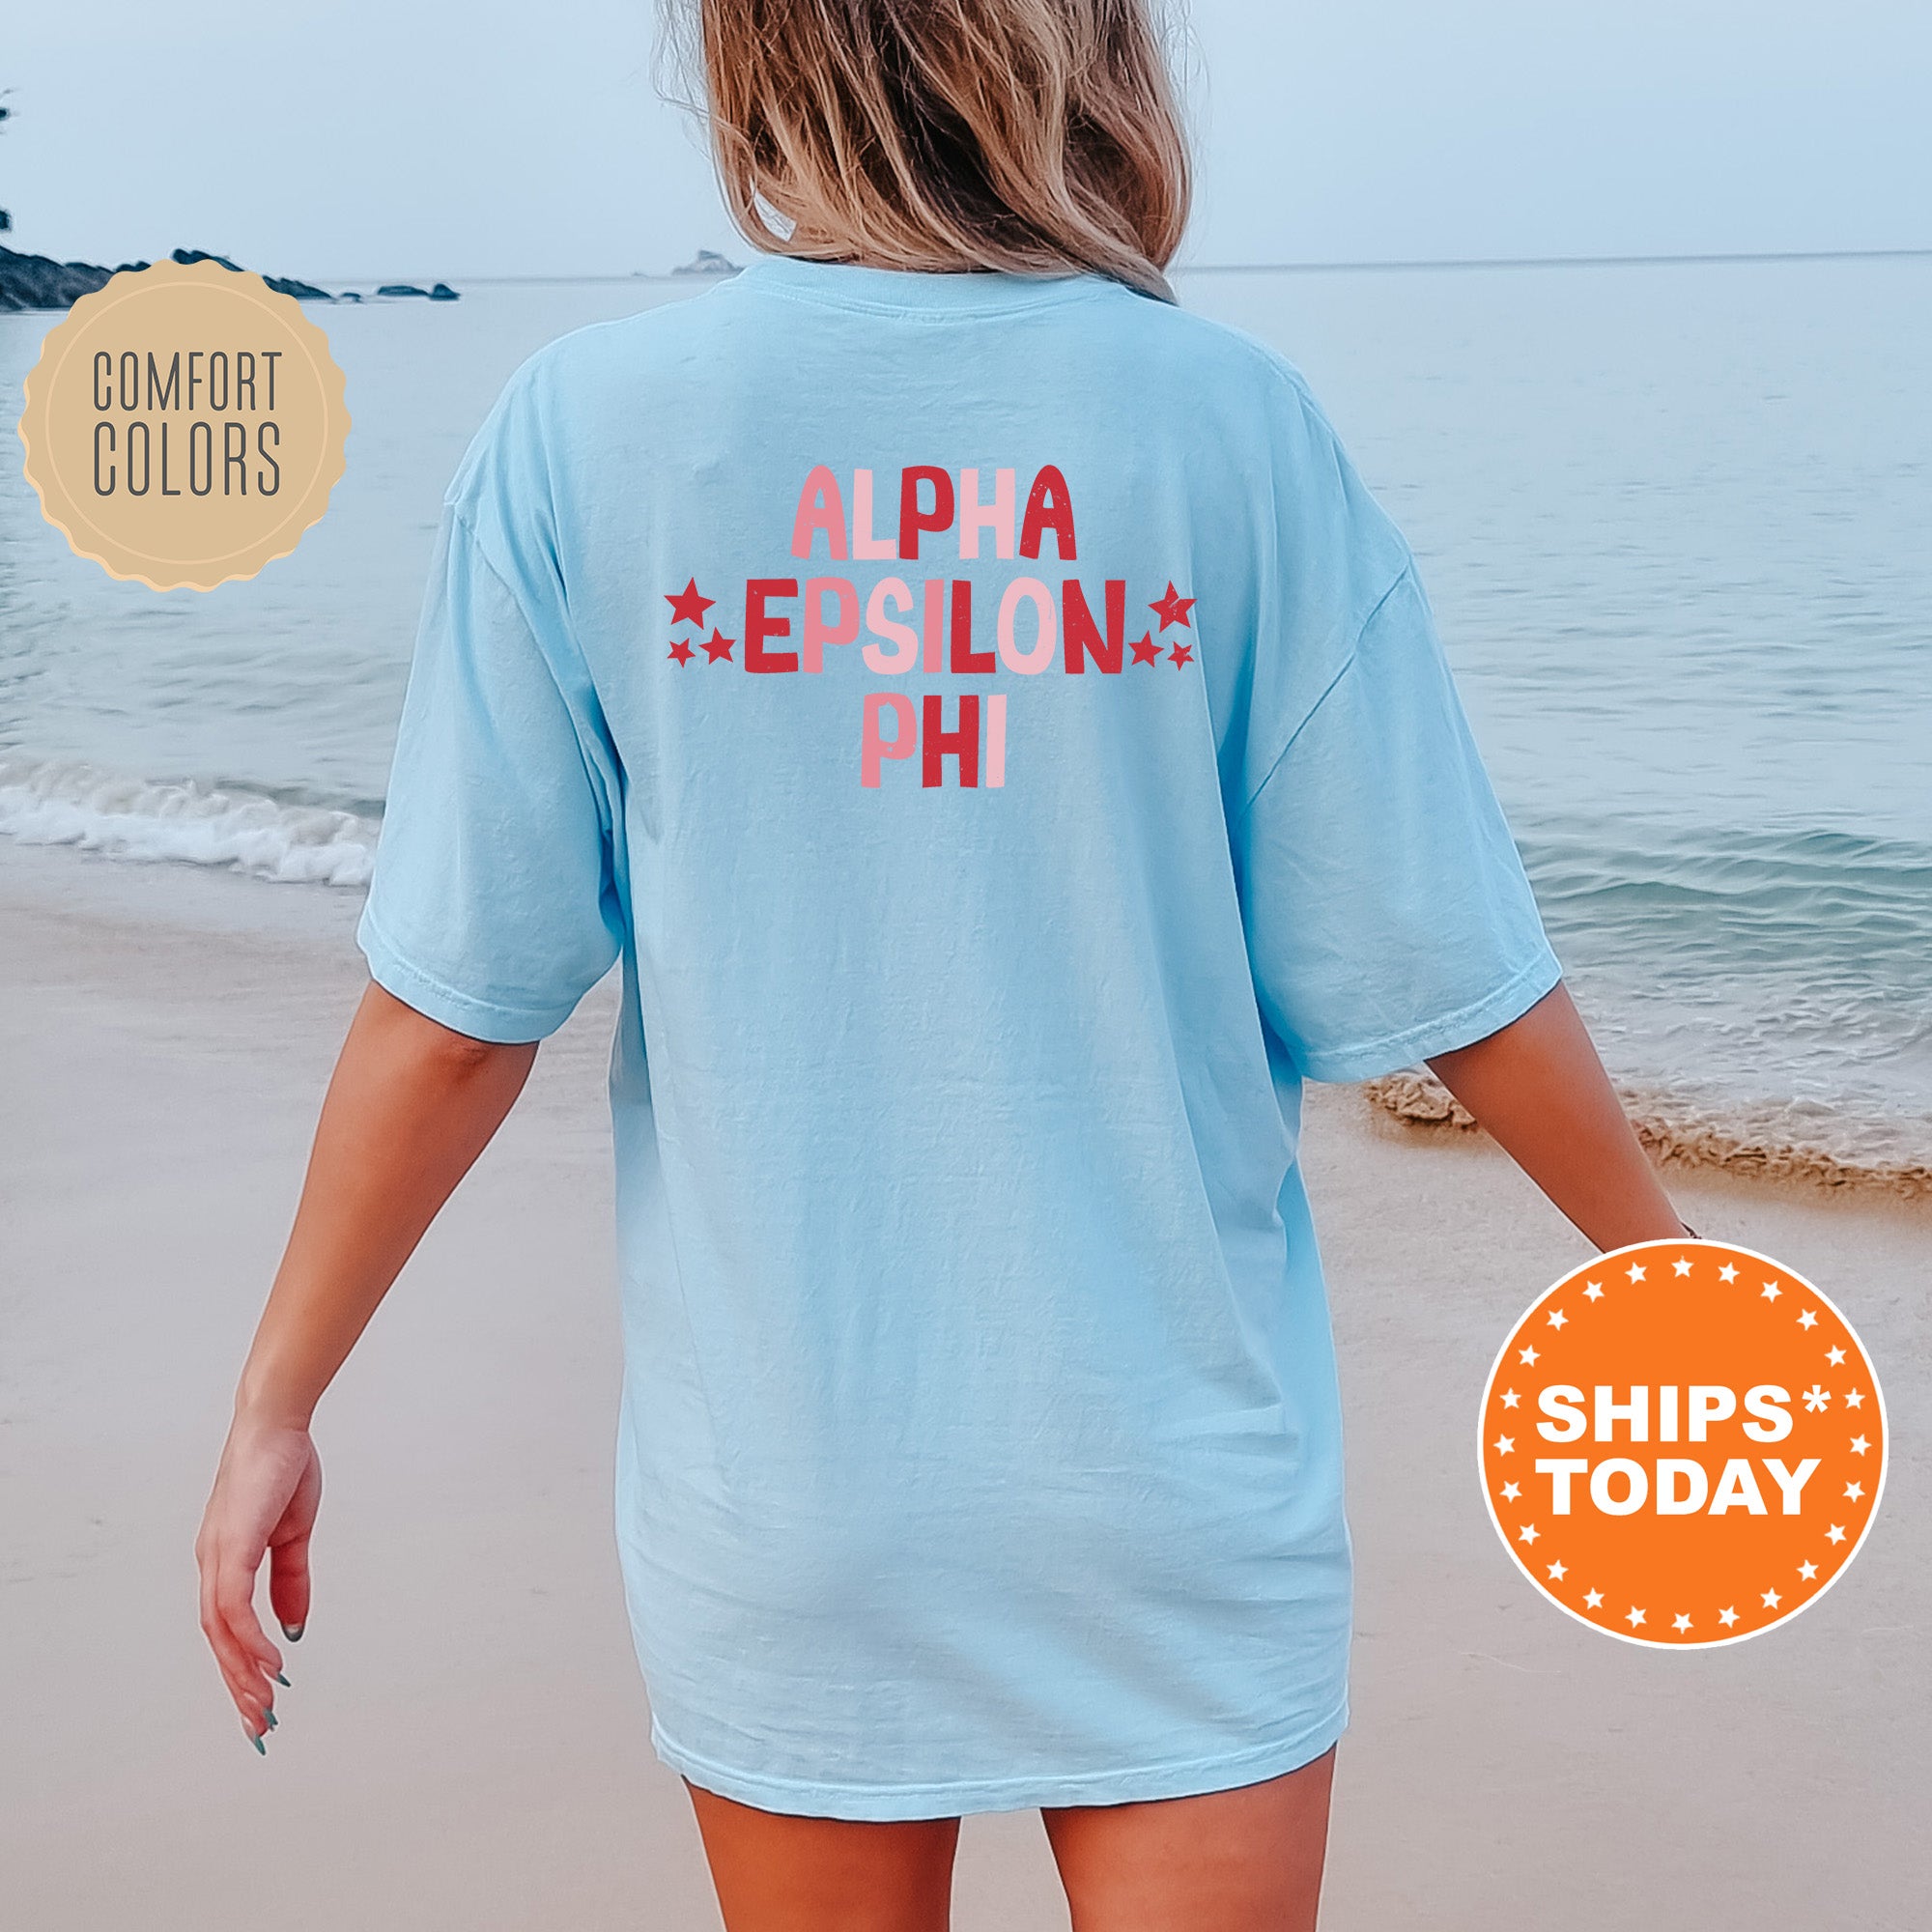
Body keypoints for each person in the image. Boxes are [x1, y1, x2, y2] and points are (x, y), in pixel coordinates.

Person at [195, 3, 1691, 1925]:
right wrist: (1669, 1284)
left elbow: (454, 1013)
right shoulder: (1232, 424)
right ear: (1087, 57)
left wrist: (274, 1402)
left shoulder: (582, 434)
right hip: (1168, 1488)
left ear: (753, 60)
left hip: (793, 1493)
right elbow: (1449, 968)